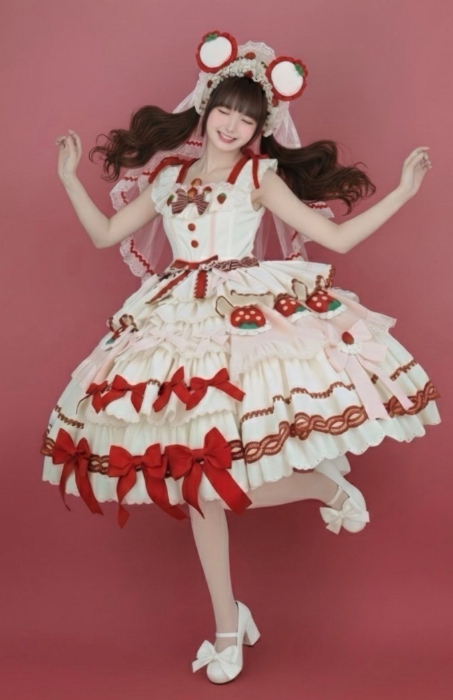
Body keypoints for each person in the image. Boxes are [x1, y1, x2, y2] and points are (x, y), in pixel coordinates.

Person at [41, 31, 440, 685]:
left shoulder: (260, 176)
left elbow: (333, 237)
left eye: (247, 120)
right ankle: (229, 624)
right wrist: (66, 179)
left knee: (212, 479)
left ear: (261, 129)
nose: (232, 125)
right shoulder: (168, 178)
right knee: (195, 483)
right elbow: (106, 233)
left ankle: (324, 485)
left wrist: (402, 192)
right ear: (205, 108)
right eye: (225, 111)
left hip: (241, 321)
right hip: (173, 322)